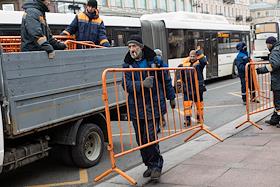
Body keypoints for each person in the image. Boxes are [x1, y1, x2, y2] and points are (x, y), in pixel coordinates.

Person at [122, 35, 176, 180]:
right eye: (129, 47)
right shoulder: (127, 64)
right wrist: (141, 85)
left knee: (151, 137)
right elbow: (125, 85)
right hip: (136, 108)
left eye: (134, 46)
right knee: (141, 140)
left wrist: (171, 97)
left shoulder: (155, 61)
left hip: (153, 106)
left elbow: (166, 79)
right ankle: (149, 165)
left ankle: (157, 166)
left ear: (141, 47)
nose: (132, 50)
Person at [178, 49, 207, 127]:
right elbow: (180, 75)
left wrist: (200, 52)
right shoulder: (184, 64)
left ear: (196, 56)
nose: (192, 57)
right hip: (187, 88)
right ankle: (187, 120)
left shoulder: (199, 64)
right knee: (187, 105)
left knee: (199, 105)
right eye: (191, 56)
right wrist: (180, 85)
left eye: (194, 56)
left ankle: (199, 118)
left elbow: (204, 61)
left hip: (198, 88)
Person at [256, 36, 280, 127]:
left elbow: (274, 65)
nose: (267, 46)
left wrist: (261, 70)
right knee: (277, 103)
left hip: (278, 81)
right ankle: (274, 119)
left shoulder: (275, 51)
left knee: (278, 103)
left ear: (270, 44)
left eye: (267, 44)